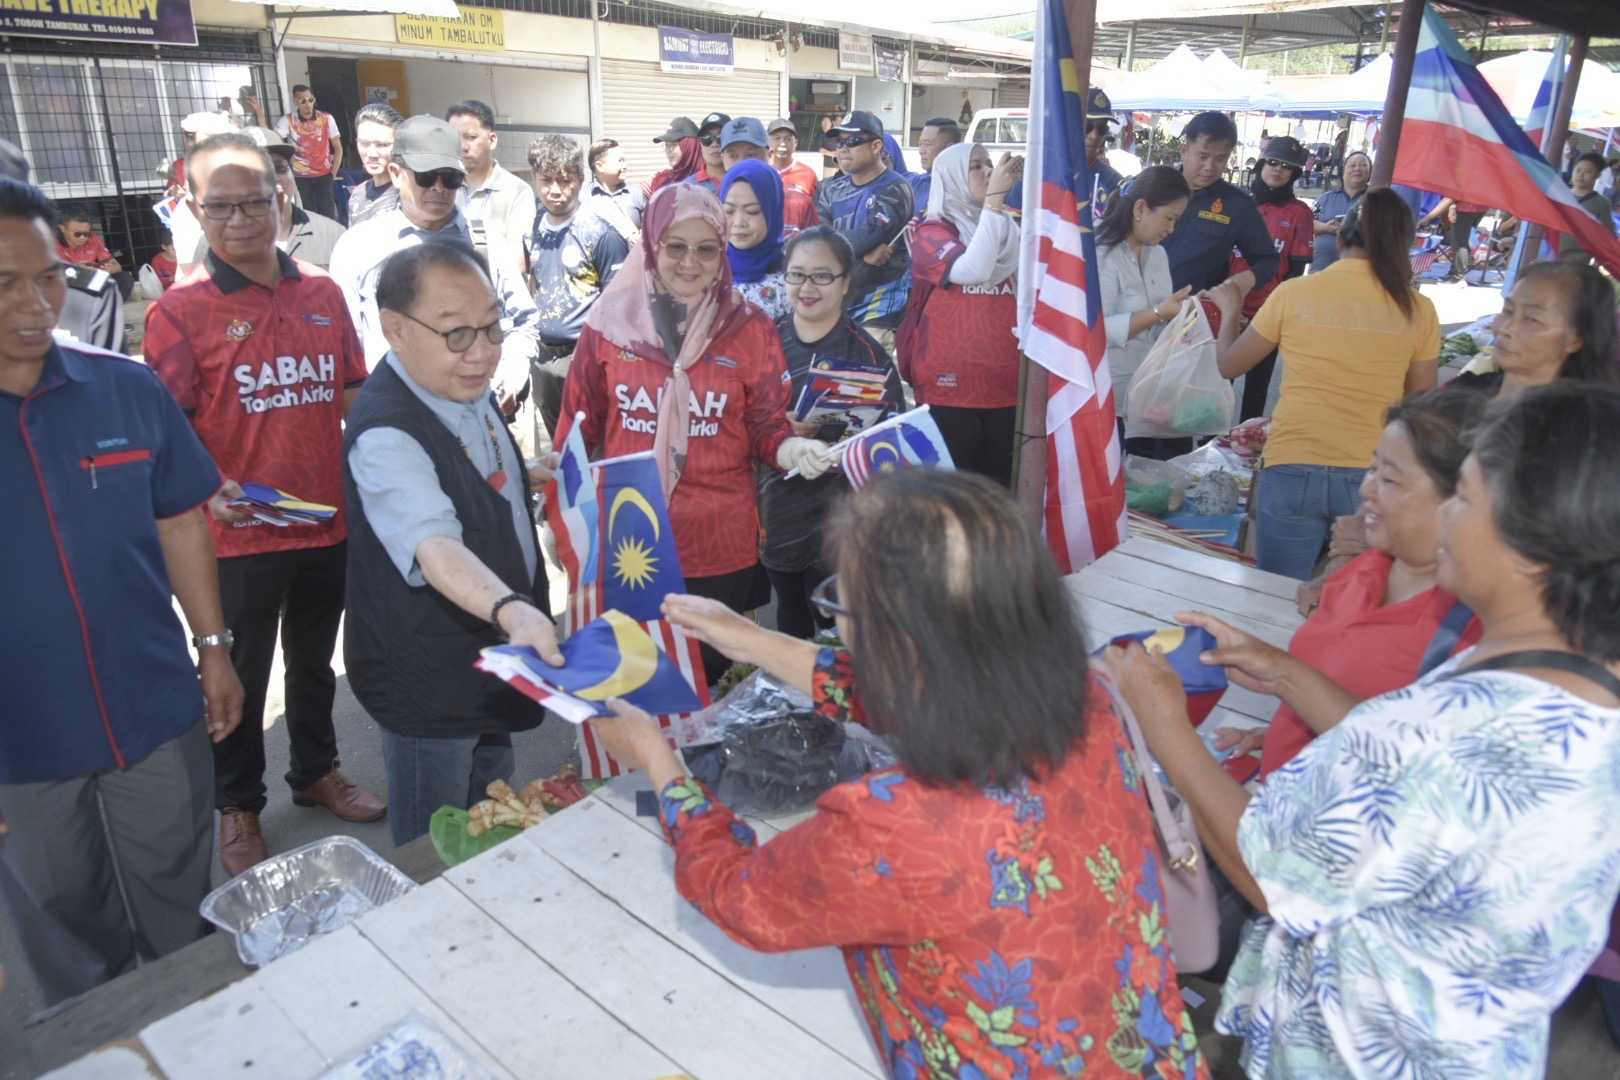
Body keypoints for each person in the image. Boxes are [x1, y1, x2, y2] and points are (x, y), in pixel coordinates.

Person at [590, 469, 1210, 1080]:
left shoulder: (894, 824)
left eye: (844, 605)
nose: (839, 622)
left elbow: (739, 896)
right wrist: (754, 641)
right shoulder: (1091, 702)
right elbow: (931, 689)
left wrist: (658, 760)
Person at [1112, 381, 1620, 1079]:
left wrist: (1164, 724)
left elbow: (1271, 875)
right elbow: (1408, 787)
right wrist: (1284, 671)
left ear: (1535, 546)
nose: (1446, 522)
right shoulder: (1573, 684)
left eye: (1464, 499)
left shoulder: (1434, 740)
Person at [0, 176, 243, 1004]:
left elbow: (181, 520)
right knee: (65, 924)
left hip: (152, 704)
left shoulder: (126, 389)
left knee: (180, 897)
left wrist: (214, 651)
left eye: (48, 277)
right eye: (5, 284)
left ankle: (195, 1033)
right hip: (19, 743)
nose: (36, 304)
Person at [143, 131, 383, 875]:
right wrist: (208, 487)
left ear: (281, 198)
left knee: (314, 664)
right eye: (220, 205)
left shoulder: (322, 291)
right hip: (238, 536)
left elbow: (353, 392)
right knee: (237, 677)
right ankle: (237, 804)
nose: (240, 219)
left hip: (325, 522)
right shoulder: (178, 315)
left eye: (254, 201)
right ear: (191, 207)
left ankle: (316, 770)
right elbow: (164, 431)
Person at [556, 183, 832, 683]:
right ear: (650, 242)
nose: (691, 262)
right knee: (637, 679)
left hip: (719, 538)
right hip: (631, 536)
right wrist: (561, 511)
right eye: (675, 246)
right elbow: (576, 429)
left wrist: (791, 448)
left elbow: (766, 425)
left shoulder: (749, 328)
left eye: (707, 249)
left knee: (709, 679)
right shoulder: (607, 325)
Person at [344, 241, 560, 847]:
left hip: (490, 658)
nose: (484, 352)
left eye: (492, 327)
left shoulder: (456, 378)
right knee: (434, 843)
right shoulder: (386, 431)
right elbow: (433, 543)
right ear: (395, 330)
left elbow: (474, 467)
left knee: (492, 799)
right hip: (430, 677)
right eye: (458, 334)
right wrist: (514, 610)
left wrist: (525, 473)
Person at [1214, 390, 1486, 780]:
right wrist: (1285, 732)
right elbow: (1337, 688)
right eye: (1371, 470)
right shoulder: (1361, 570)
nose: (1366, 489)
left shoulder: (1472, 631)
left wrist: (1284, 674)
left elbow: (1420, 765)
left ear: (1463, 498)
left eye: (1389, 479)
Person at [1210, 188, 1438, 580]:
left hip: (1292, 462)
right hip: (1369, 473)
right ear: (1402, 246)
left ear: (1341, 237)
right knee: (1349, 599)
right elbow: (1420, 405)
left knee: (1277, 596)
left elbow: (1229, 364)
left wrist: (1231, 309)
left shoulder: (1295, 293)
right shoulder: (1418, 309)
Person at [328, 115, 539, 423]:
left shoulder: (485, 244)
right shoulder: (358, 247)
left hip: (475, 419)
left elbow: (524, 322)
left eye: (451, 178)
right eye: (427, 177)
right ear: (397, 173)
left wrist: (512, 372)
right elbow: (345, 350)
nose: (439, 189)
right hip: (395, 422)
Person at [760, 226, 903, 638]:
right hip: (777, 505)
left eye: (822, 275)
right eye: (797, 274)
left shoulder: (869, 355)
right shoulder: (763, 343)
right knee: (789, 607)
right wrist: (778, 427)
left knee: (837, 619)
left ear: (846, 283)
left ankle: (836, 697)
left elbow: (894, 439)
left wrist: (845, 443)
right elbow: (739, 418)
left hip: (843, 515)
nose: (807, 286)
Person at [901, 143, 1023, 485]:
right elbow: (974, 269)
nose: (987, 171)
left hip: (1005, 390)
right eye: (975, 166)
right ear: (951, 176)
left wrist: (997, 209)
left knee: (994, 501)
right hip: (948, 391)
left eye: (989, 164)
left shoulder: (1010, 229)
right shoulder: (931, 232)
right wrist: (995, 202)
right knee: (950, 502)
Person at [525, 133, 630, 448]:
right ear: (535, 178)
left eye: (564, 181)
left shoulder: (602, 233)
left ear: (582, 180)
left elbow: (618, 310)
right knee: (559, 454)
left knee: (591, 452)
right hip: (542, 360)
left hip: (583, 361)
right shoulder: (531, 226)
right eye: (546, 180)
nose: (555, 190)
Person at [1095, 165, 1192, 457]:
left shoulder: (1157, 253)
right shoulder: (1101, 253)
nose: (1171, 229)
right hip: (1109, 398)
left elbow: (1163, 319)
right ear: (1141, 208)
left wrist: (1188, 314)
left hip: (1151, 394)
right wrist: (1158, 313)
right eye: (1169, 218)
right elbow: (1097, 329)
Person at [1229, 135, 1315, 422]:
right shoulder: (1236, 201)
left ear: (1294, 174)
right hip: (1225, 308)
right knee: (1218, 382)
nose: (1277, 169)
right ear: (1261, 164)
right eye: (1273, 162)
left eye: (1286, 166)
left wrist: (1274, 312)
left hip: (1267, 315)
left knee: (1257, 387)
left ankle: (1244, 440)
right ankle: (1209, 439)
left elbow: (1295, 271)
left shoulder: (1300, 213)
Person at [1160, 111, 1278, 296]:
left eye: (1220, 158)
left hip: (1193, 314)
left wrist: (1244, 280)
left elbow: (1268, 261)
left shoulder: (1237, 204)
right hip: (1137, 311)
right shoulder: (1153, 188)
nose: (1210, 166)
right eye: (1202, 156)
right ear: (1184, 151)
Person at [816, 111, 914, 329]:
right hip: (836, 304)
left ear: (876, 145)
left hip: (878, 308)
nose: (842, 148)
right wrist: (864, 259)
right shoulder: (831, 190)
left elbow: (868, 236)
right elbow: (818, 242)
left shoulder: (895, 188)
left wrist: (833, 243)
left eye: (852, 141)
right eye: (839, 141)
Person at [446, 100, 537, 279]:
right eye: (455, 139)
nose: (463, 147)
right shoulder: (444, 187)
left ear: (492, 140)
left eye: (471, 137)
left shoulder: (517, 191)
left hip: (498, 298)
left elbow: (519, 260)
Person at [720, 118, 817, 236]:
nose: (742, 164)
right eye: (733, 156)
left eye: (750, 155)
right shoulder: (711, 205)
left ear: (769, 155)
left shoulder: (799, 203)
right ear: (723, 159)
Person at [720, 158, 790, 319]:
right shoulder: (706, 270)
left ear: (773, 210)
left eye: (752, 211)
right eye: (729, 211)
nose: (739, 223)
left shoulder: (793, 277)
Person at [276, 84, 341, 220]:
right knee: (307, 214)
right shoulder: (288, 120)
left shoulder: (326, 118)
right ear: (295, 101)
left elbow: (338, 148)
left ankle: (330, 240)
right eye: (303, 101)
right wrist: (260, 115)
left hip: (324, 174)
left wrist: (333, 174)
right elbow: (272, 138)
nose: (308, 105)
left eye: (310, 100)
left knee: (328, 214)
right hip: (300, 176)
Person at [1310, 149, 1370, 272]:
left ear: (1370, 172)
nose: (1357, 168)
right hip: (1320, 269)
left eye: (1363, 164)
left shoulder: (1375, 200)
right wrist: (1326, 227)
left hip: (1357, 271)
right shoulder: (1325, 198)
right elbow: (1306, 223)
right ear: (1342, 172)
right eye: (1352, 165)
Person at [56, 210, 133, 301]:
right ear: (63, 229)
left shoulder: (93, 239)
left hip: (91, 281)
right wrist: (75, 268)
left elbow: (117, 266)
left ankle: (108, 307)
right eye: (77, 234)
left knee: (124, 278)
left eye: (86, 234)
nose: (82, 237)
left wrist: (107, 269)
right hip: (66, 286)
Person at [347, 103, 403, 227]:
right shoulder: (358, 194)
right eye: (364, 143)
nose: (372, 153)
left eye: (382, 145)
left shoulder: (410, 194)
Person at [1561, 151, 1618, 265]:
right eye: (1578, 170)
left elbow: (1607, 236)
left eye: (1588, 172)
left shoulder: (1600, 203)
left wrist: (1598, 263)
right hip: (1547, 256)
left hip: (1577, 262)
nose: (1580, 175)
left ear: (1597, 175)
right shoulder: (1559, 194)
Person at [586, 137, 646, 240]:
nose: (625, 166)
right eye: (620, 161)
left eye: (624, 160)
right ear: (600, 166)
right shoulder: (585, 196)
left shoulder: (636, 194)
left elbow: (653, 229)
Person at [909, 116, 962, 212]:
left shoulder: (964, 188)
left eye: (927, 144)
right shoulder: (914, 184)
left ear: (949, 149)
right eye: (920, 144)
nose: (921, 151)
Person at [1084, 88, 1125, 210]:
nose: (1094, 135)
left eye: (1101, 128)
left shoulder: (1113, 181)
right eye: (1088, 126)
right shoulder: (1045, 171)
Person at [647, 117, 705, 198]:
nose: (668, 150)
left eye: (673, 145)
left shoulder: (707, 183)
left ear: (690, 146)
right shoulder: (662, 181)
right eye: (667, 145)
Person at [765, 117, 818, 199]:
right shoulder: (760, 174)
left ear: (795, 143)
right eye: (777, 138)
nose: (782, 143)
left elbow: (816, 209)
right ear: (768, 142)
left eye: (788, 139)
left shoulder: (808, 175)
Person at [693, 111, 730, 188]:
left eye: (721, 137)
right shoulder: (689, 188)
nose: (714, 144)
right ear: (700, 144)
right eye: (707, 138)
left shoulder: (745, 180)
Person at [817, 115, 839, 180]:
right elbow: (820, 149)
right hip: (828, 166)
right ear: (821, 124)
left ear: (831, 123)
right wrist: (832, 153)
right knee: (828, 185)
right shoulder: (820, 136)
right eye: (824, 122)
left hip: (839, 166)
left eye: (827, 122)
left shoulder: (834, 134)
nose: (826, 123)